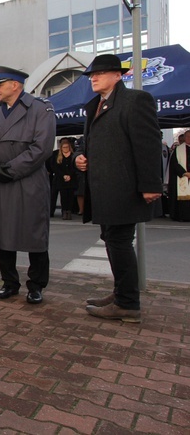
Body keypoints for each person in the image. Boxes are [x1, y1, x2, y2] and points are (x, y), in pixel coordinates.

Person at [75, 54, 163, 323]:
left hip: (124, 187)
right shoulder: (97, 105)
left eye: (99, 73)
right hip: (103, 187)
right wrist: (82, 155)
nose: (93, 78)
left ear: (118, 75)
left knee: (120, 242)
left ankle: (128, 303)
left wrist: (150, 185)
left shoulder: (135, 100)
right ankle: (121, 293)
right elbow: (93, 142)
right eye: (91, 75)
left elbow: (148, 144)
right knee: (113, 241)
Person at [0, 66, 56, 304]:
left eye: (0, 85)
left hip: (28, 180)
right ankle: (9, 282)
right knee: (4, 234)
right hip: (0, 181)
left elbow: (42, 147)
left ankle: (36, 284)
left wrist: (9, 170)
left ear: (16, 85)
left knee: (34, 234)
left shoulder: (41, 109)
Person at [51, 138, 78, 220]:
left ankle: (69, 212)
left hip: (71, 179)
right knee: (63, 196)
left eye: (67, 147)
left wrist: (70, 175)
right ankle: (64, 212)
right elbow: (55, 167)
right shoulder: (57, 156)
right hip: (61, 179)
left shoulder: (73, 155)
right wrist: (63, 175)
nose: (65, 149)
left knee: (70, 196)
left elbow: (75, 167)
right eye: (64, 147)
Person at [168, 129, 190, 221]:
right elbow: (174, 164)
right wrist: (184, 173)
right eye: (188, 137)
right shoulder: (178, 150)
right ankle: (183, 216)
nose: (189, 138)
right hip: (183, 176)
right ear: (184, 138)